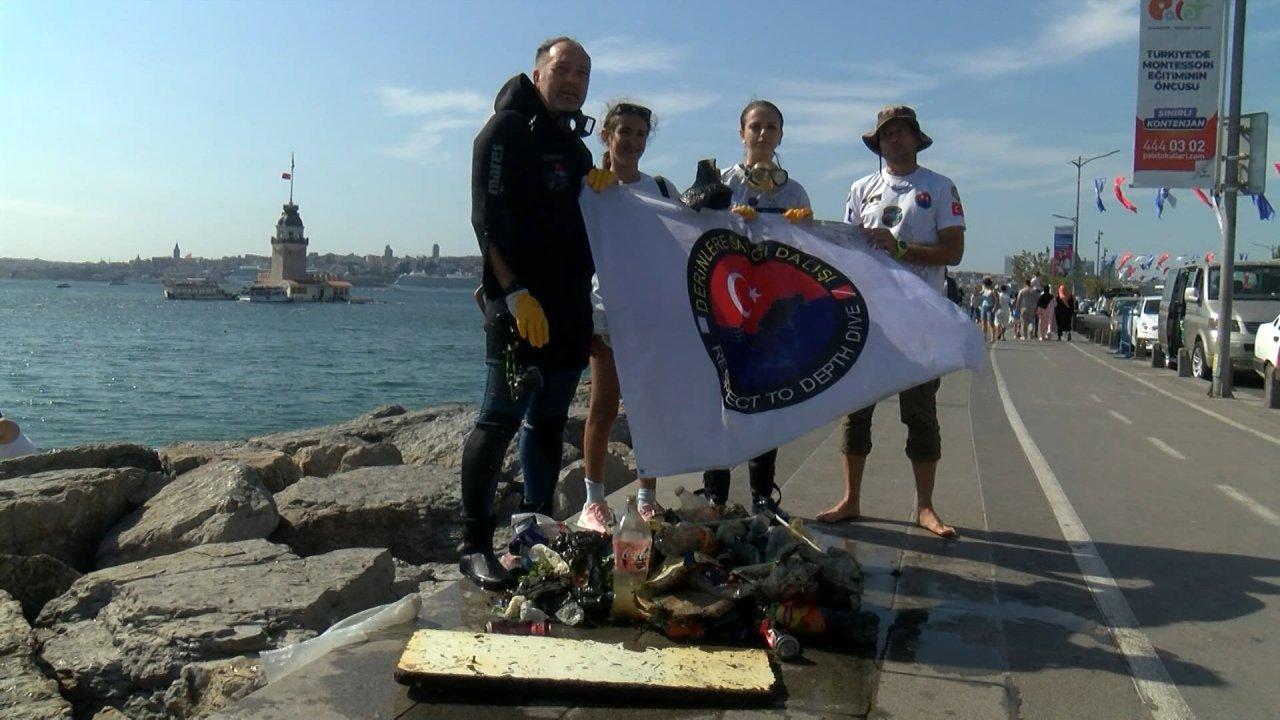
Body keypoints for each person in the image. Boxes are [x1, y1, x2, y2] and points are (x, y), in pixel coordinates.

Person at [457, 36, 597, 590]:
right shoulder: (506, 130)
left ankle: (533, 528)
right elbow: (485, 218)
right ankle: (473, 544)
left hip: (568, 306)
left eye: (583, 73)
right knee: (498, 421)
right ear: (539, 71)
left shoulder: (574, 146)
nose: (573, 80)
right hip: (520, 308)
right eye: (563, 69)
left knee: (549, 421)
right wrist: (512, 292)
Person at [817, 105, 964, 538]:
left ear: (917, 139)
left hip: (919, 318)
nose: (896, 140)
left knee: (920, 414)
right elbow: (844, 249)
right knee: (854, 412)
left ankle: (925, 506)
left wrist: (901, 250)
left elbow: (953, 252)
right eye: (887, 135)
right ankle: (851, 498)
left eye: (903, 133)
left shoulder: (939, 187)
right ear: (877, 144)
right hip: (867, 318)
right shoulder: (861, 188)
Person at [701, 99, 812, 520]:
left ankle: (763, 493)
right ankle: (715, 492)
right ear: (741, 133)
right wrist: (724, 216)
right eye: (755, 127)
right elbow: (693, 229)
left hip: (772, 311)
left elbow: (805, 254)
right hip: (726, 306)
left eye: (771, 128)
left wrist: (802, 227)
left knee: (765, 401)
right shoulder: (722, 181)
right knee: (723, 399)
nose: (762, 135)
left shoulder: (794, 191)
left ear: (780, 135)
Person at [578, 100, 675, 532]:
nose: (632, 141)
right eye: (624, 133)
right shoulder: (590, 188)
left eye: (640, 134)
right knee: (604, 405)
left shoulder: (660, 189)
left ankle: (646, 496)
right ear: (607, 137)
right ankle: (593, 500)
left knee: (649, 407)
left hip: (650, 313)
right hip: (606, 312)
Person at [978, 277, 997, 342]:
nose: (983, 285)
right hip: (983, 307)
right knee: (983, 323)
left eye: (984, 284)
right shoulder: (983, 290)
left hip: (990, 307)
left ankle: (993, 337)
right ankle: (984, 337)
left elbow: (996, 300)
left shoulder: (992, 291)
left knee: (991, 323)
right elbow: (977, 294)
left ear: (986, 284)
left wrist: (995, 307)